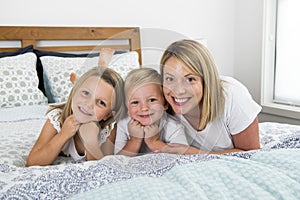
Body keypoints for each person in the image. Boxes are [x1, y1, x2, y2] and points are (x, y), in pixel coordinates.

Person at [159, 39, 262, 155]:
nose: (178, 90)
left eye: (190, 79)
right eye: (170, 79)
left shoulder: (232, 94)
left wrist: (196, 153)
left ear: (206, 80)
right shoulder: (161, 101)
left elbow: (252, 154)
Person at [26, 66, 125, 166]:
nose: (88, 104)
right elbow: (32, 162)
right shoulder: (57, 119)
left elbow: (101, 170)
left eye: (101, 102)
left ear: (107, 115)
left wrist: (90, 141)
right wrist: (63, 135)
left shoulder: (109, 130)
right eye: (86, 93)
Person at [114, 67, 188, 156]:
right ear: (127, 108)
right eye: (135, 102)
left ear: (165, 103)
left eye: (152, 100)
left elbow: (183, 159)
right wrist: (134, 140)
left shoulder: (174, 127)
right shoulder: (123, 124)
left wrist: (154, 142)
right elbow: (118, 161)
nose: (144, 108)